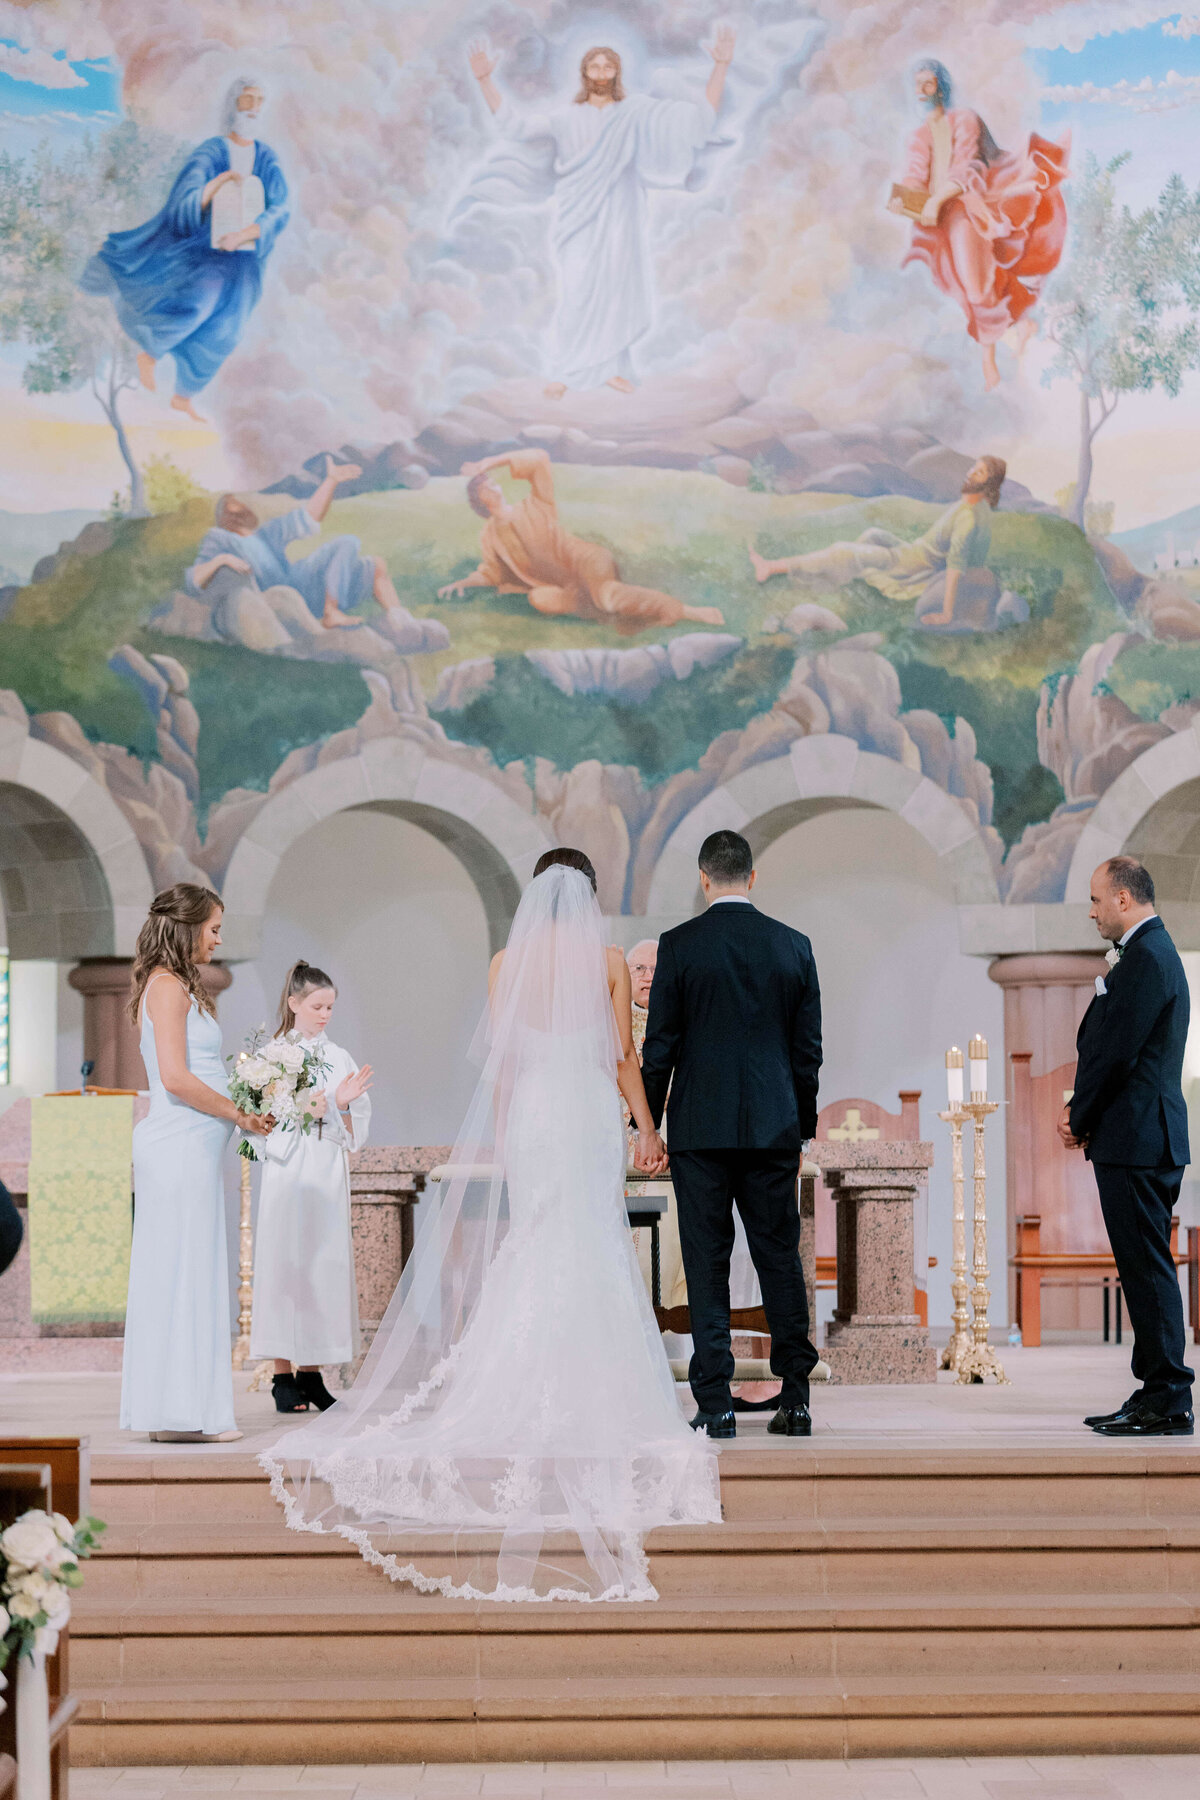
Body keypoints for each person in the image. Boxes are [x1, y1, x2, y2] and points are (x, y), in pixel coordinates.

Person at [262, 849, 719, 1603]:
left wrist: (507, 1136)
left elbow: (503, 1067)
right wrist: (646, 1127)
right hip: (584, 1116)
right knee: (594, 1247)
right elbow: (623, 1057)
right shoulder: (607, 962)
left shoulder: (506, 965)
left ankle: (515, 1389)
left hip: (537, 1117)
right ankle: (596, 1392)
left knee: (537, 1243)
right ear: (590, 899)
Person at [640, 829, 822, 1440]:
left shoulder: (679, 945)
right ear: (752, 876)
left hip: (700, 1130)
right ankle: (795, 1399)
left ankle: (715, 1403)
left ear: (703, 877)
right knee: (779, 1260)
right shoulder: (793, 946)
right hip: (774, 1128)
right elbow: (808, 1054)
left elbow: (659, 1045)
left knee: (706, 1262)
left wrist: (649, 1124)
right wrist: (802, 1131)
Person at [462, 35, 735, 395]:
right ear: (584, 72)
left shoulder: (635, 111)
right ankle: (565, 370)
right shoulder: (565, 117)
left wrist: (721, 67)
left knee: (617, 288)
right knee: (578, 289)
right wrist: (484, 81)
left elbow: (696, 123)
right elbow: (516, 127)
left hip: (622, 211)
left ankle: (610, 369)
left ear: (617, 72)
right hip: (577, 215)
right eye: (595, 66)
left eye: (608, 66)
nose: (601, 72)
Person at [121, 883, 273, 1443]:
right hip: (178, 1144)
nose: (217, 938)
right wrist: (240, 1113)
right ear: (186, 929)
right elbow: (178, 1079)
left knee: (185, 1270)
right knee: (184, 1272)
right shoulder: (166, 987)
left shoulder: (178, 986)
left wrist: (259, 1095)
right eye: (212, 928)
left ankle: (174, 1414)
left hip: (191, 1146)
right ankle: (183, 1415)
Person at [1059, 858, 1194, 1437]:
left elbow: (1117, 1052)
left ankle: (1168, 1396)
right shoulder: (1149, 954)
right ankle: (1154, 1389)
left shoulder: (1146, 958)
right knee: (1143, 1268)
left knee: (1148, 1269)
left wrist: (1078, 1115)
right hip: (1139, 1136)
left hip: (1139, 1138)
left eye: (1094, 900)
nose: (1090, 912)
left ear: (1121, 898)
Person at [82, 78, 289, 422]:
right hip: (205, 252)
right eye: (247, 100)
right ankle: (150, 353)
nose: (253, 108)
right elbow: (183, 202)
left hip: (245, 259)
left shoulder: (267, 158)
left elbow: (281, 206)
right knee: (197, 305)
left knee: (229, 330)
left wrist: (248, 233)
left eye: (259, 101)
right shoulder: (212, 151)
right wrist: (219, 183)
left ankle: (183, 396)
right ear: (232, 105)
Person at [888, 60, 1068, 391]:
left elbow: (967, 167)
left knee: (976, 285)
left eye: (927, 84)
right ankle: (1016, 328)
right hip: (936, 217)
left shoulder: (965, 119)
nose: (920, 92)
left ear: (941, 87)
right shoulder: (919, 135)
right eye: (917, 85)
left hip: (966, 207)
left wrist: (934, 200)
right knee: (966, 288)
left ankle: (991, 356)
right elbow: (915, 174)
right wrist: (906, 199)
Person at [250, 960, 374, 1414]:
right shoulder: (271, 1055)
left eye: (330, 1007)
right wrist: (322, 1106)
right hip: (288, 1168)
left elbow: (354, 1117)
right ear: (294, 1003)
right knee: (287, 1264)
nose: (324, 1014)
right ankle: (283, 1375)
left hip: (325, 1167)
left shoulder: (338, 1055)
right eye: (317, 1006)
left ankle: (313, 1374)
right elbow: (262, 1119)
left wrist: (342, 1109)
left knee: (323, 1266)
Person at [438, 449, 724, 634]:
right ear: (480, 501)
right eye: (484, 487)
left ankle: (684, 611)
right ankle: (601, 607)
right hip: (566, 589)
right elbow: (493, 573)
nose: (491, 486)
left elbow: (539, 459)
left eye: (492, 481)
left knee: (607, 596)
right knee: (539, 598)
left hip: (585, 562)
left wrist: (489, 461)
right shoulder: (489, 535)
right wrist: (463, 583)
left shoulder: (536, 504)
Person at [749, 456, 1006, 630]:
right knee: (872, 535)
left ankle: (771, 567)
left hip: (912, 564)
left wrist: (947, 613)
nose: (971, 472)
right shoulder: (973, 506)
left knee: (843, 550)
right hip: (913, 551)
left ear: (988, 483)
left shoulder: (968, 519)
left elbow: (957, 566)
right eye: (974, 466)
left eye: (980, 472)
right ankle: (834, 577)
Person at [186, 457, 409, 631]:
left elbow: (309, 516)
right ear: (227, 515)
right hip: (283, 593)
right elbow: (193, 579)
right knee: (347, 542)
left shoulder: (267, 534)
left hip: (304, 585)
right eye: (236, 507)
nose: (245, 509)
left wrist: (331, 481)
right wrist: (221, 559)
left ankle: (402, 623)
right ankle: (331, 612)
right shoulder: (220, 537)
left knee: (377, 565)